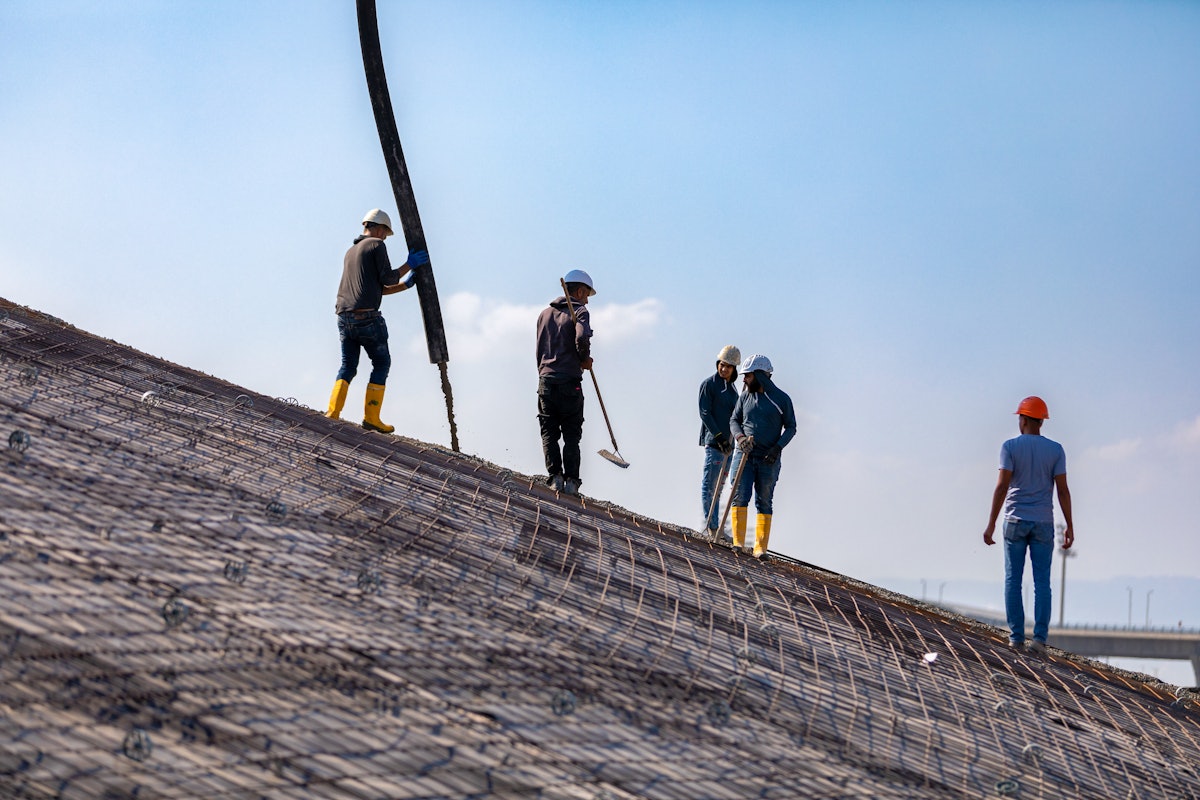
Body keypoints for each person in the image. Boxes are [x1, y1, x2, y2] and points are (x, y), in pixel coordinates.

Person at [983, 395, 1075, 654]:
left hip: (1014, 521)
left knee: (1013, 579)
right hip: (1044, 523)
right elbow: (1063, 491)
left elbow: (1002, 487)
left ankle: (1015, 638)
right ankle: (1040, 640)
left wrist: (990, 524)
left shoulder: (1009, 447)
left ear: (1022, 419)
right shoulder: (1056, 450)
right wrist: (1070, 525)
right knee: (1042, 582)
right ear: (1041, 422)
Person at [325, 209, 429, 433]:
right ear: (379, 228)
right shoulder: (376, 245)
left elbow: (375, 289)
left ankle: (332, 413)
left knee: (348, 366)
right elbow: (388, 278)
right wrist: (409, 264)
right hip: (367, 319)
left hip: (344, 317)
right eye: (385, 233)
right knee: (381, 364)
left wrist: (406, 286)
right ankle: (372, 417)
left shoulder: (351, 251)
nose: (384, 237)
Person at [729, 354, 797, 558]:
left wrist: (777, 448)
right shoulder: (745, 397)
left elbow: (791, 427)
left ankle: (760, 548)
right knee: (740, 496)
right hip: (745, 455)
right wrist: (740, 438)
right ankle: (738, 543)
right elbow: (734, 420)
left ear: (760, 375)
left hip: (769, 459)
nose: (744, 380)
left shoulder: (782, 399)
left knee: (764, 500)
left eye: (747, 376)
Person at [536, 269, 595, 496]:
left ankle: (555, 478)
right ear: (579, 291)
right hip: (570, 381)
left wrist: (545, 373)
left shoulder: (544, 314)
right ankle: (571, 481)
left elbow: (539, 350)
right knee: (571, 433)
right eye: (587, 294)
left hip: (546, 380)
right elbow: (581, 337)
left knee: (549, 431)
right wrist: (584, 359)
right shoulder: (580, 311)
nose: (587, 300)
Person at [698, 345, 741, 540]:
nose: (724, 369)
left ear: (734, 369)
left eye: (728, 367)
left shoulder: (732, 390)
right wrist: (718, 437)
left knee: (720, 487)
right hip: (715, 444)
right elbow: (705, 413)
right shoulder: (709, 385)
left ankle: (718, 527)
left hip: (729, 446)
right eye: (722, 365)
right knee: (710, 485)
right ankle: (712, 527)